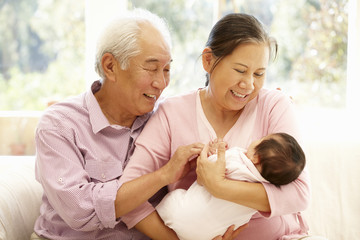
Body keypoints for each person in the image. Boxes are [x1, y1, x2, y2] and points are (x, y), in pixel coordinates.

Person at [118, 13, 313, 240]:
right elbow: (126, 201)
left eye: (259, 74)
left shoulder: (273, 106)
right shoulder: (171, 114)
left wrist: (218, 186)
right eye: (240, 70)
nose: (249, 84)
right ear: (208, 60)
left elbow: (300, 193)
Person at [32, 8, 205, 240]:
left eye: (166, 70)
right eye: (152, 68)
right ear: (110, 66)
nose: (161, 82)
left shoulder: (165, 118)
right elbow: (81, 211)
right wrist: (163, 175)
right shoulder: (59, 125)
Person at [156, 133, 306, 240]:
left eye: (260, 140)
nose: (255, 139)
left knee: (172, 199)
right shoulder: (262, 191)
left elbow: (205, 174)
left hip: (180, 214)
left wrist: (211, 152)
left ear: (255, 157)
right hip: (211, 236)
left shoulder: (235, 158)